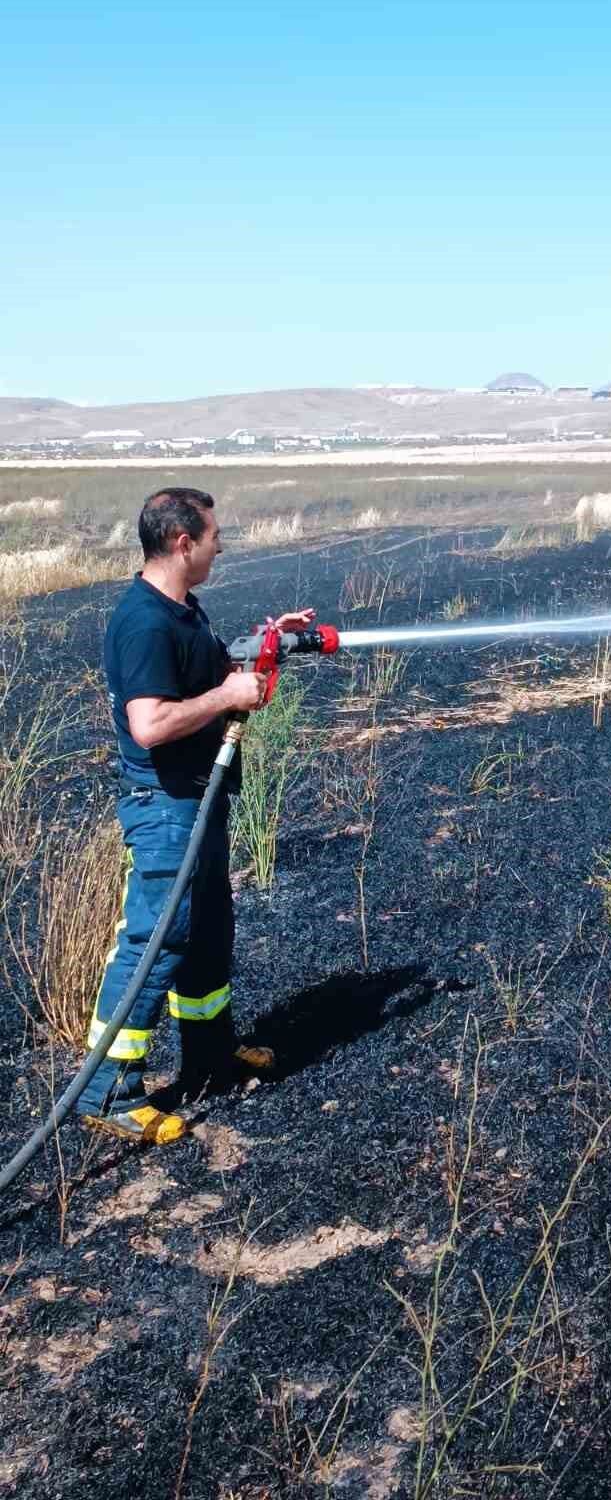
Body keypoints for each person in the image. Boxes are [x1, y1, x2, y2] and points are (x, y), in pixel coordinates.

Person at [75, 487, 315, 1143]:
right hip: (165, 804)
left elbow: (208, 675)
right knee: (158, 938)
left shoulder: (180, 610)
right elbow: (149, 724)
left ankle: (209, 1054)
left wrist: (267, 645)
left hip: (197, 800)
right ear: (183, 543)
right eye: (214, 536)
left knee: (206, 929)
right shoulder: (145, 623)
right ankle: (106, 1091)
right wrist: (230, 694)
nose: (220, 545)